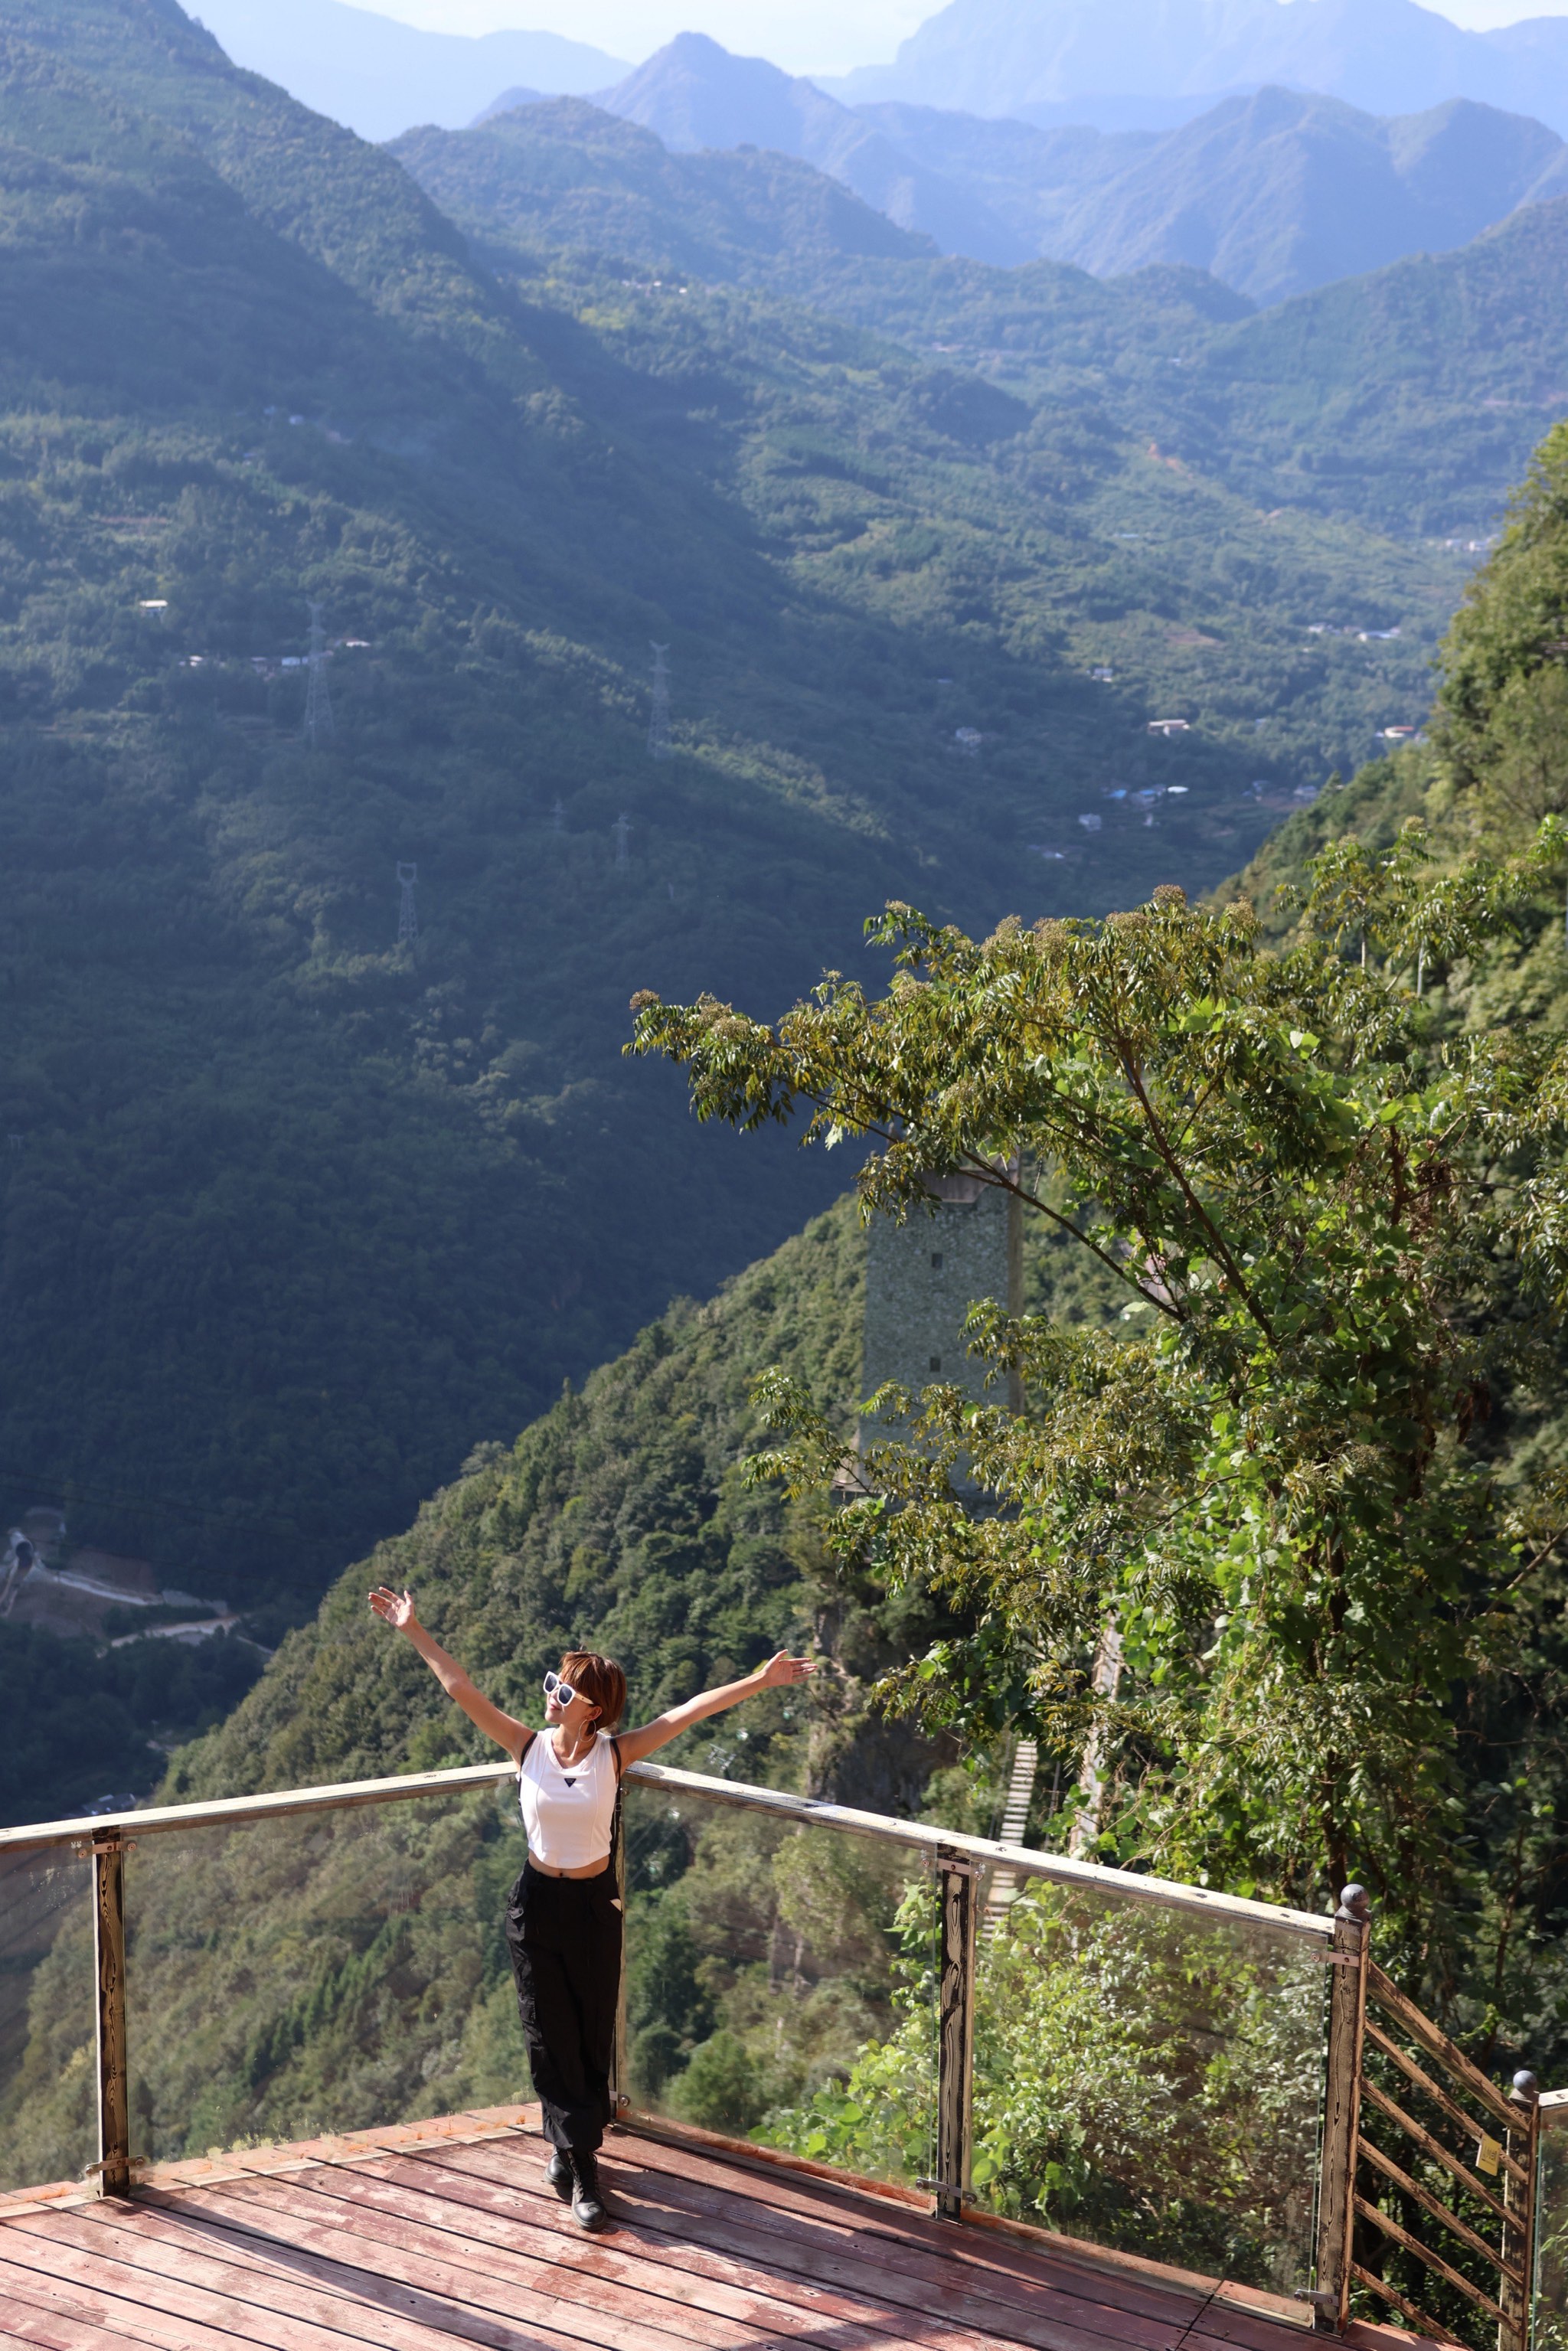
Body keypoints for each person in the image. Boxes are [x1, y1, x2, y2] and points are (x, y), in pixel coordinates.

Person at [368, 1585, 812, 2232]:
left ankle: (566, 2143)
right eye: (554, 1681)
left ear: (593, 1708)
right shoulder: (526, 1746)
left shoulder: (615, 1753)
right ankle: (584, 2172)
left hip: (595, 1906)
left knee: (588, 2029)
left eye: (565, 1689)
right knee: (548, 2032)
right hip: (537, 1902)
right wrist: (414, 1629)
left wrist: (760, 1680)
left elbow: (690, 1710)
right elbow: (459, 1687)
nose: (552, 1692)